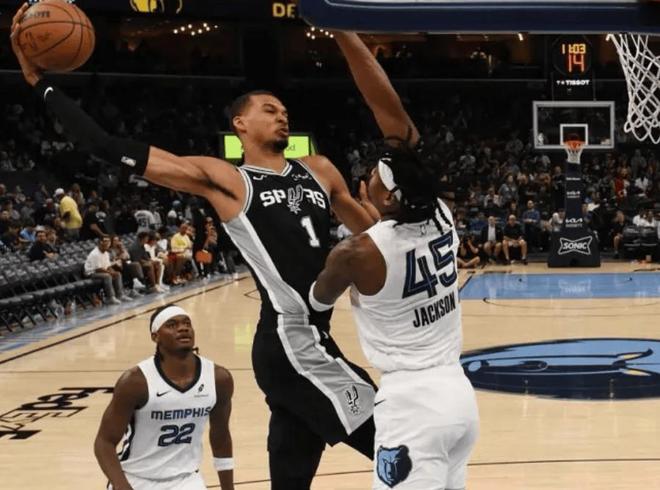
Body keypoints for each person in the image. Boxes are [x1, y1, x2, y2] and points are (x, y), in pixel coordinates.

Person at [12, 11, 410, 487]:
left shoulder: (320, 169)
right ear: (241, 123)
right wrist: (41, 84)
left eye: (284, 110)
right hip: (291, 339)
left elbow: (374, 238)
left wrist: (390, 222)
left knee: (292, 474)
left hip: (307, 338)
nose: (281, 114)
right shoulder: (227, 180)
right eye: (269, 109)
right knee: (397, 438)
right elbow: (103, 143)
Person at [310, 142, 479, 490]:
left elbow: (318, 299)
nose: (368, 175)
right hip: (458, 396)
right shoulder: (441, 217)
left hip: (411, 405)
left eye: (375, 174)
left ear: (388, 197)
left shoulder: (355, 253)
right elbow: (392, 238)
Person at [94, 304, 234, 490]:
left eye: (187, 323)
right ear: (155, 336)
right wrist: (121, 486)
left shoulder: (218, 379)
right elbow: (104, 442)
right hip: (136, 478)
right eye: (172, 325)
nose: (183, 328)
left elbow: (221, 437)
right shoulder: (136, 382)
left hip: (186, 479)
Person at [84, 235, 126, 305]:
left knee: (117, 274)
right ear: (100, 243)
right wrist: (110, 273)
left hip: (101, 271)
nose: (107, 244)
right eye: (106, 242)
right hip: (91, 273)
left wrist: (113, 272)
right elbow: (98, 269)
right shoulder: (95, 254)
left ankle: (120, 295)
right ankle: (110, 298)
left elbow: (108, 266)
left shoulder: (106, 253)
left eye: (108, 242)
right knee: (107, 276)